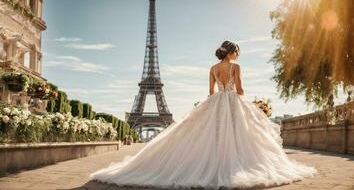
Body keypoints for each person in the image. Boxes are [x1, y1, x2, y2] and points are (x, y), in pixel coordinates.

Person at [89, 40, 317, 189]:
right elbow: (239, 90)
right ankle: (231, 164)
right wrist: (255, 102)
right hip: (232, 102)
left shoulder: (212, 68)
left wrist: (221, 91)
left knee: (212, 135)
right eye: (237, 51)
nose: (238, 54)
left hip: (216, 101)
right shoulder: (235, 68)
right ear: (232, 52)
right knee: (238, 135)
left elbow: (210, 93)